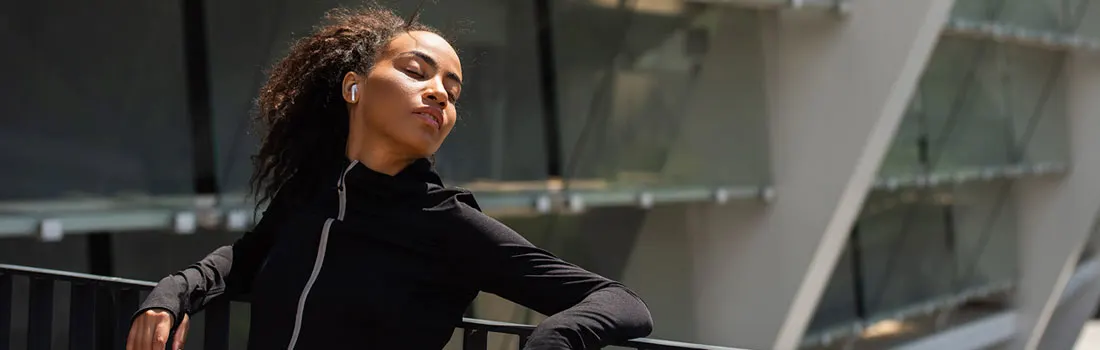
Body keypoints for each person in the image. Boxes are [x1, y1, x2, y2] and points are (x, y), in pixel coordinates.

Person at [126, 4, 653, 350]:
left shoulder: (447, 222)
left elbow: (622, 302)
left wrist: (553, 340)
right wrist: (173, 292)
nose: (440, 94)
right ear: (353, 88)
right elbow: (244, 258)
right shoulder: (312, 191)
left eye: (452, 91)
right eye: (416, 72)